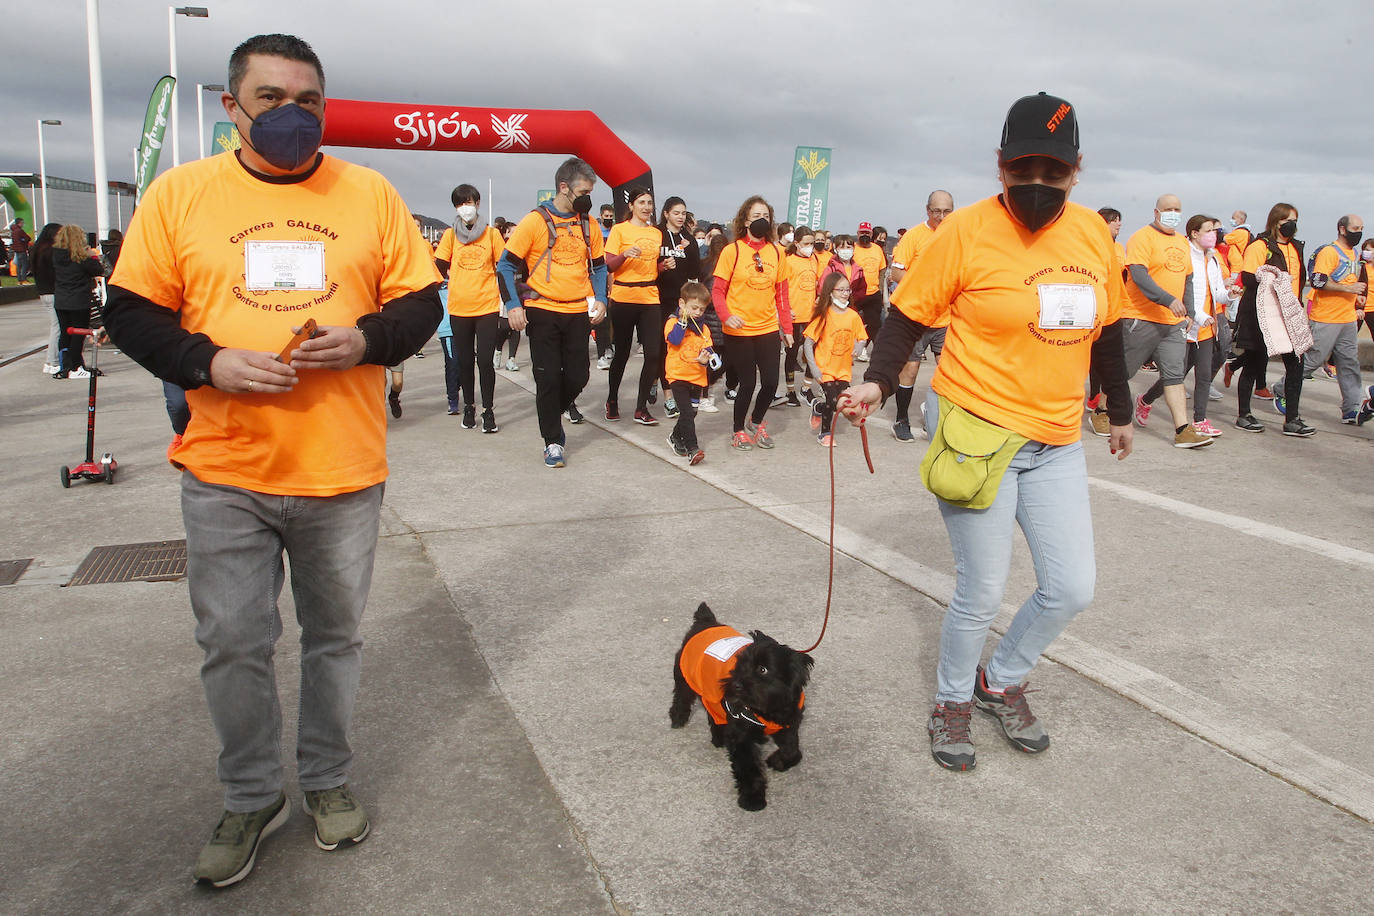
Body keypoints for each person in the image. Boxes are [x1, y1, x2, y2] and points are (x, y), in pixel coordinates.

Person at [102, 34, 443, 887]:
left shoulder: (369, 194)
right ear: (232, 108)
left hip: (341, 469)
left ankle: (325, 781)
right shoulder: (183, 194)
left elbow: (421, 304)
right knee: (232, 643)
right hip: (226, 468)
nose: (293, 114)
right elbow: (133, 313)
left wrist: (366, 338)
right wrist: (206, 362)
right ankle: (253, 795)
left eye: (308, 99)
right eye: (271, 98)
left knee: (333, 640)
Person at [840, 92, 1133, 772]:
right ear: (999, 166)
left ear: (1077, 169)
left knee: (1072, 587)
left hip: (1056, 436)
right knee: (982, 586)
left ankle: (999, 680)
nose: (1037, 185)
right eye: (1022, 169)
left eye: (1052, 173)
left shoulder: (1092, 233)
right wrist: (878, 384)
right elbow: (908, 316)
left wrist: (1118, 411)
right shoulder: (965, 231)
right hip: (975, 424)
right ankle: (951, 701)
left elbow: (1110, 331)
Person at [496, 157, 608, 468]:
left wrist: (601, 298)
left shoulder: (589, 224)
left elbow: (598, 266)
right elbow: (505, 266)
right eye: (583, 191)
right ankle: (553, 441)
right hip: (543, 309)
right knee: (546, 378)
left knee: (578, 375)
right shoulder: (534, 221)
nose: (588, 198)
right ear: (564, 187)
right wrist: (514, 305)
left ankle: (549, 412)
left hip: (577, 312)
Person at [1118, 194, 1214, 448]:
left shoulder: (1182, 243)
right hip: (1140, 318)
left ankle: (1182, 430)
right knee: (1123, 371)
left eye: (1177, 209)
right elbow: (1138, 274)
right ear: (1156, 212)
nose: (1173, 212)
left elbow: (1189, 279)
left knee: (1174, 374)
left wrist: (1190, 312)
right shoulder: (1142, 237)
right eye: (1168, 209)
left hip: (1172, 324)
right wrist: (1166, 299)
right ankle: (1103, 410)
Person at [1138, 215, 1233, 437]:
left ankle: (1199, 420)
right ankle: (1145, 400)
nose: (1214, 235)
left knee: (1204, 375)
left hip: (1207, 327)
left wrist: (1230, 294)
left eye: (1215, 230)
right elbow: (1183, 291)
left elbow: (1217, 292)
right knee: (1175, 375)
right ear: (1194, 233)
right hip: (1186, 324)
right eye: (1209, 230)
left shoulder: (1214, 258)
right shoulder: (1185, 255)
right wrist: (1197, 315)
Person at [712, 196, 792, 450]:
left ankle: (755, 422)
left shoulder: (778, 253)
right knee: (747, 383)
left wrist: (787, 329)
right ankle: (738, 430)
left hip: (767, 327)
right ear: (745, 219)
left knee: (770, 382)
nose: (762, 220)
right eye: (756, 215)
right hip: (739, 329)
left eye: (766, 216)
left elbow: (782, 295)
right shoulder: (732, 251)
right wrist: (727, 316)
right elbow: (717, 291)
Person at [1232, 203, 1312, 435]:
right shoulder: (1260, 246)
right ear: (1275, 221)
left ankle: (1292, 419)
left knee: (1296, 365)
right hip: (1262, 314)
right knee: (1253, 363)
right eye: (1286, 220)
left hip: (1289, 314)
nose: (1291, 224)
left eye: (1294, 220)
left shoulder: (1297, 248)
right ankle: (1244, 414)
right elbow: (1247, 278)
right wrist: (1273, 280)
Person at [435, 183, 504, 432]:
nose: (466, 207)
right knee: (464, 362)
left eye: (470, 202)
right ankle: (469, 406)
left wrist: (514, 302)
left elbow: (503, 267)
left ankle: (488, 410)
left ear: (478, 203)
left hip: (486, 306)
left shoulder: (491, 234)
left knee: (485, 361)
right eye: (461, 203)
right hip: (459, 308)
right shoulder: (449, 235)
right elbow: (439, 267)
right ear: (456, 207)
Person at [887, 190, 954, 441]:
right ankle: (901, 418)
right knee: (911, 369)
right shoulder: (914, 236)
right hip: (915, 317)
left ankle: (935, 414)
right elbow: (895, 273)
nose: (941, 216)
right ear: (927, 210)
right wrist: (926, 285)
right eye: (936, 211)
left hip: (944, 318)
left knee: (949, 370)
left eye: (947, 211)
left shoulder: (955, 235)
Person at [603, 187, 664, 424]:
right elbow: (609, 265)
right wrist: (625, 254)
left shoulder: (656, 233)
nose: (647, 207)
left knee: (653, 354)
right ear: (631, 206)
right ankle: (612, 400)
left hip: (650, 297)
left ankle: (640, 408)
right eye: (642, 202)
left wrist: (662, 267)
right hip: (624, 297)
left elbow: (651, 266)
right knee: (622, 353)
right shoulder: (619, 230)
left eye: (650, 202)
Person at [1300, 215, 1366, 424]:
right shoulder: (1329, 252)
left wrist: (1357, 298)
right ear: (1342, 229)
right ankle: (1282, 389)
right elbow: (1318, 280)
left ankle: (1351, 408)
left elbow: (1350, 279)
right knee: (1313, 360)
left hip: (1346, 317)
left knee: (1349, 363)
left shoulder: (1354, 253)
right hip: (1326, 317)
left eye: (1361, 228)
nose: (1359, 232)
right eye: (1355, 228)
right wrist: (1348, 288)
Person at [804, 271, 867, 446]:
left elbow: (863, 337)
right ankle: (825, 433)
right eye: (841, 290)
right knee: (832, 400)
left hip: (844, 369)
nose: (845, 293)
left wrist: (859, 347)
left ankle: (818, 408)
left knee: (840, 403)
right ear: (830, 291)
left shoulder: (853, 316)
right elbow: (808, 344)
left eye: (848, 290)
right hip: (825, 368)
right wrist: (814, 369)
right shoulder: (824, 315)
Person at [656, 196, 702, 419]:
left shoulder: (689, 240)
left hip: (681, 302)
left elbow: (696, 274)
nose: (680, 217)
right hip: (658, 299)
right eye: (676, 212)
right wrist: (661, 266)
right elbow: (646, 267)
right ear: (666, 214)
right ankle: (667, 396)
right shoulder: (657, 235)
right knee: (662, 348)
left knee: (679, 346)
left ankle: (675, 391)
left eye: (683, 213)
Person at [664, 280, 714, 464]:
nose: (698, 313)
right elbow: (675, 340)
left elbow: (709, 349)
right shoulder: (673, 322)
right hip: (678, 375)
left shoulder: (704, 328)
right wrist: (683, 322)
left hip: (697, 377)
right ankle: (693, 448)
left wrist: (706, 357)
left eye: (701, 310)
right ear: (682, 304)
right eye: (694, 308)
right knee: (686, 413)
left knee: (692, 413)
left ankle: (675, 437)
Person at [51, 225, 104, 379]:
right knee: (78, 334)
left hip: (61, 300)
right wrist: (91, 255)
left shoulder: (56, 256)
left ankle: (65, 366)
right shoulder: (81, 257)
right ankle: (75, 366)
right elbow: (99, 270)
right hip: (79, 300)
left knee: (65, 333)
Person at [782, 225, 821, 406]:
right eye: (806, 243)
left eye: (812, 243)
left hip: (811, 315)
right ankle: (790, 391)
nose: (810, 247)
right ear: (796, 243)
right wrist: (786, 309)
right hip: (794, 315)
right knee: (791, 353)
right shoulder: (788, 260)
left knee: (814, 353)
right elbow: (780, 289)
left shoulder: (814, 259)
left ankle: (806, 388)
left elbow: (818, 283)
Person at [850, 221, 887, 359]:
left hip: (873, 292)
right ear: (858, 233)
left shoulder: (877, 249)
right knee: (852, 321)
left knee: (874, 324)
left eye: (867, 233)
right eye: (862, 233)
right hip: (856, 293)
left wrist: (881, 291)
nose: (864, 235)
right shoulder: (852, 248)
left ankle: (866, 349)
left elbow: (882, 270)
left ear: (871, 234)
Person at [30, 223, 62, 374]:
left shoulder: (36, 250)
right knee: (58, 327)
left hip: (43, 292)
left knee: (55, 326)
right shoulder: (51, 252)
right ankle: (52, 361)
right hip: (54, 292)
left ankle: (52, 361)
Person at [494, 219, 522, 371]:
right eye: (513, 232)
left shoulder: (523, 249)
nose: (517, 235)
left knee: (517, 326)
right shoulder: (501, 248)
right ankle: (498, 350)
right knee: (504, 326)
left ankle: (512, 359)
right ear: (505, 233)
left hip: (518, 290)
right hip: (503, 290)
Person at [9, 217, 32, 282]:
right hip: (22, 249)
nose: (23, 224)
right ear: (19, 223)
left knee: (18, 265)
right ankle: (24, 279)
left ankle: (19, 279)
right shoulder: (20, 231)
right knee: (24, 264)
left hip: (16, 250)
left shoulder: (13, 231)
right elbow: (28, 238)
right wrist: (24, 240)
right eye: (22, 223)